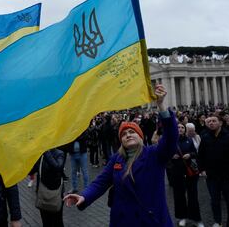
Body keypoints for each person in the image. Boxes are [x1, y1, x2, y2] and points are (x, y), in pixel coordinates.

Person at [64, 84, 178, 226]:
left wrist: (161, 106)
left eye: (132, 132)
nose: (128, 135)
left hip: (150, 220)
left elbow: (171, 138)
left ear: (140, 137)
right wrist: (84, 196)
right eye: (124, 134)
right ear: (121, 141)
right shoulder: (116, 159)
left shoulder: (154, 154)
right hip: (123, 220)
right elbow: (100, 182)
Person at [198, 115, 229, 227]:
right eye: (209, 121)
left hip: (227, 176)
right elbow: (200, 156)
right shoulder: (205, 137)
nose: (211, 123)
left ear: (220, 123)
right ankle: (217, 221)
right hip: (212, 176)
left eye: (214, 121)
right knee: (214, 201)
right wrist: (202, 170)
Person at [171, 123, 203, 227]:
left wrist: (190, 154)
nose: (180, 129)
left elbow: (195, 153)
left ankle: (196, 218)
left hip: (190, 172)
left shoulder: (189, 140)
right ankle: (182, 217)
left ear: (185, 130)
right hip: (177, 173)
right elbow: (163, 156)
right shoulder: (170, 141)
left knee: (193, 196)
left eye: (182, 128)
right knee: (179, 196)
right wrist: (171, 156)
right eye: (178, 127)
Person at [29, 148, 65, 227]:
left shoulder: (59, 153)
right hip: (43, 195)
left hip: (56, 195)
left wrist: (46, 153)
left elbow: (58, 168)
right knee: (46, 222)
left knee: (57, 222)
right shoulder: (40, 155)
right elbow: (30, 171)